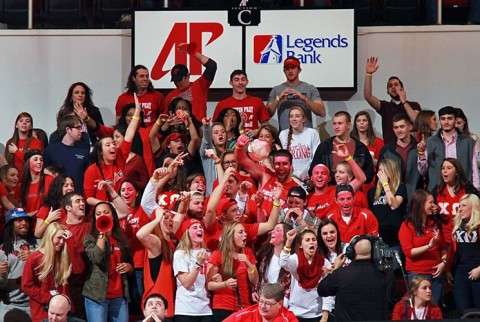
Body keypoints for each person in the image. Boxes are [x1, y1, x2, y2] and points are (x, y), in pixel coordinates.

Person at [317, 236, 394, 321]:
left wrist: (335, 268)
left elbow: (321, 290)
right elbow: (392, 299)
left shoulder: (341, 274)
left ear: (351, 252)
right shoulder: (386, 274)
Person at [83, 94, 140, 206]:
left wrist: (137, 112)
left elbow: (129, 135)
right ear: (100, 151)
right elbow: (89, 198)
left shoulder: (120, 157)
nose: (113, 146)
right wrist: (108, 205)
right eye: (108, 145)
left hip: (121, 209)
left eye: (113, 144)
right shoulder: (92, 170)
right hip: (102, 212)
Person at [83, 202, 134, 322]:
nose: (102, 215)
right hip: (97, 296)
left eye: (106, 212)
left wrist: (129, 267)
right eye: (98, 214)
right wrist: (102, 234)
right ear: (94, 218)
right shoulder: (90, 238)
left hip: (119, 297)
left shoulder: (121, 238)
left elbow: (131, 264)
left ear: (113, 215)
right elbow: (96, 258)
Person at [398, 189, 448, 305]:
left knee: (435, 309)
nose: (433, 205)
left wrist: (444, 262)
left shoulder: (434, 223)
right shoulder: (407, 226)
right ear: (420, 205)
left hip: (436, 274)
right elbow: (409, 252)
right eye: (430, 202)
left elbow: (443, 247)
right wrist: (429, 245)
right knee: (420, 308)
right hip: (418, 275)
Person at [418, 105, 480, 191]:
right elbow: (423, 172)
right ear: (440, 121)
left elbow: (474, 169)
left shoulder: (467, 141)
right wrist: (421, 154)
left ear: (455, 120)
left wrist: (476, 191)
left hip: (463, 191)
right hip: (438, 191)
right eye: (443, 119)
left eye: (449, 118)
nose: (446, 122)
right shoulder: (430, 142)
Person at [206, 221, 258, 322]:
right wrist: (225, 284)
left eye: (245, 232)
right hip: (223, 307)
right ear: (230, 236)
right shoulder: (218, 255)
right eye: (241, 232)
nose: (245, 234)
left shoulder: (247, 252)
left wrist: (248, 264)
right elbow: (209, 285)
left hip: (244, 306)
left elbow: (255, 281)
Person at [21, 222, 74, 322]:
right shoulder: (34, 258)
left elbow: (78, 270)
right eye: (59, 238)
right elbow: (26, 285)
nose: (62, 242)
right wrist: (49, 299)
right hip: (42, 312)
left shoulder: (62, 256)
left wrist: (71, 243)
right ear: (50, 237)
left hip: (62, 312)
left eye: (64, 238)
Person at [363, 56, 421, 145]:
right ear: (387, 91)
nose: (393, 87)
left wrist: (404, 102)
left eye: (396, 85)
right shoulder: (385, 106)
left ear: (402, 88)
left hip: (411, 148)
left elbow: (417, 121)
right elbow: (368, 96)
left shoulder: (414, 105)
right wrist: (368, 74)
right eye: (390, 86)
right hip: (390, 149)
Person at [235, 136, 299, 214]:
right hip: (256, 224)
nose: (281, 168)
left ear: (291, 166)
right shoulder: (266, 174)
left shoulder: (296, 190)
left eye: (285, 164)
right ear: (273, 165)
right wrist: (239, 146)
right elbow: (241, 160)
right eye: (277, 164)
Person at [280, 229, 333, 322]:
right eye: (307, 240)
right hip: (296, 313)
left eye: (313, 239)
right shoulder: (295, 259)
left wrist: (325, 316)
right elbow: (283, 263)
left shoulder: (324, 262)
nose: (311, 242)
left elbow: (328, 292)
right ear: (301, 245)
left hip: (317, 314)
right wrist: (288, 242)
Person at [309, 111, 374, 185]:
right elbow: (313, 171)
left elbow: (369, 175)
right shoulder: (324, 147)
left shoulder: (361, 148)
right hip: (330, 190)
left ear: (348, 125)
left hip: (354, 190)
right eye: (334, 123)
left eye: (340, 123)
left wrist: (350, 177)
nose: (336, 127)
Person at [136, 207, 176, 320]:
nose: (171, 220)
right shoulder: (157, 243)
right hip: (156, 306)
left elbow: (181, 214)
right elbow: (140, 235)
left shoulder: (171, 243)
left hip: (169, 304)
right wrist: (158, 218)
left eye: (171, 218)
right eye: (166, 218)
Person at [266, 56, 326, 131]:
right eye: (287, 69)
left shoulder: (310, 88)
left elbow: (322, 112)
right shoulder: (276, 89)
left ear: (299, 70)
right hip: (284, 137)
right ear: (284, 71)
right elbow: (266, 115)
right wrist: (278, 98)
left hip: (306, 136)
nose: (290, 71)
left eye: (293, 68)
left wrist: (304, 99)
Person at [0, 208, 37, 320]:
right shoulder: (2, 251)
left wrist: (34, 256)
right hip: (9, 306)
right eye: (19, 220)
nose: (24, 223)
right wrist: (1, 275)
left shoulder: (38, 245)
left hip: (34, 305)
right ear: (10, 224)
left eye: (26, 220)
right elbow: (1, 285)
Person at [165, 43, 217, 122]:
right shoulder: (170, 97)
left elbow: (212, 66)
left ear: (188, 76)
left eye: (179, 80)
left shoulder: (199, 86)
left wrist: (194, 53)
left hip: (198, 130)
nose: (177, 83)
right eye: (175, 81)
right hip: (178, 131)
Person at [173, 218, 212, 322]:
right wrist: (198, 263)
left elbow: (209, 281)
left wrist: (216, 277)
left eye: (200, 227)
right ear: (187, 233)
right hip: (186, 309)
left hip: (206, 309)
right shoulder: (180, 254)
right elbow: (186, 283)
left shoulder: (208, 254)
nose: (199, 229)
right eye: (194, 228)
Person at [433, 158, 479, 245]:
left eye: (449, 168)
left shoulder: (468, 190)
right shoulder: (437, 191)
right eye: (443, 168)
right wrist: (433, 211)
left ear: (457, 172)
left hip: (463, 240)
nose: (445, 171)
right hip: (444, 241)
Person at [378, 114, 423, 202]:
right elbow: (379, 176)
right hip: (393, 199)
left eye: (402, 127)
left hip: (416, 199)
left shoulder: (420, 148)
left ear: (410, 127)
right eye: (396, 127)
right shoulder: (387, 150)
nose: (398, 130)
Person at [213, 70, 271, 137]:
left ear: (247, 82)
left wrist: (257, 131)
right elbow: (215, 128)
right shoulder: (222, 105)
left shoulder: (257, 101)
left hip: (253, 143)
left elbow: (266, 126)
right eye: (236, 80)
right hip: (230, 144)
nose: (240, 83)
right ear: (231, 83)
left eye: (243, 80)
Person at [448, 194, 480, 310]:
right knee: (462, 309)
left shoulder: (478, 225)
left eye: (464, 206)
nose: (460, 209)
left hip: (477, 271)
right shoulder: (457, 225)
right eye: (459, 206)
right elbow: (452, 250)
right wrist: (448, 269)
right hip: (460, 272)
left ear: (474, 207)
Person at [43, 115, 89, 193]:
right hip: (57, 196)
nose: (81, 131)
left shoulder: (83, 152)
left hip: (77, 196)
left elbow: (87, 177)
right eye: (78, 128)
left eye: (81, 128)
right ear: (68, 130)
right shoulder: (50, 151)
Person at [254, 223, 293, 304]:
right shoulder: (263, 255)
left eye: (277, 230)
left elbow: (289, 288)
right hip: (262, 302)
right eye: (273, 230)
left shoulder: (291, 259)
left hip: (279, 304)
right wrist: (254, 290)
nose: (272, 232)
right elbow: (258, 278)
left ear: (285, 236)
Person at [279, 105, 320, 183]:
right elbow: (283, 161)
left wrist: (310, 175)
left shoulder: (313, 133)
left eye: (297, 116)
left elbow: (316, 158)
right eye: (291, 116)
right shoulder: (283, 135)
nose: (294, 119)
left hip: (309, 178)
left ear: (304, 119)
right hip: (291, 177)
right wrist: (297, 173)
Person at [58, 82, 104, 147]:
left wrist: (87, 118)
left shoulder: (94, 111)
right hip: (72, 146)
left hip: (92, 145)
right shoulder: (64, 113)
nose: (80, 95)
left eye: (83, 93)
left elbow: (101, 130)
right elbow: (61, 133)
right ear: (71, 96)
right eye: (77, 92)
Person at [223, 283, 298, 322]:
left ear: (280, 304)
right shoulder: (246, 315)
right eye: (261, 301)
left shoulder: (288, 319)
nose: (262, 306)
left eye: (268, 303)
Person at [5, 112, 44, 179]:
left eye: (27, 121)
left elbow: (34, 163)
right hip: (14, 180)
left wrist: (16, 151)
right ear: (16, 125)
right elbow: (6, 163)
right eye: (21, 121)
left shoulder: (36, 142)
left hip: (30, 179)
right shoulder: (10, 142)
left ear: (31, 126)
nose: (24, 123)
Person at [34, 174, 74, 239]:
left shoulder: (75, 206)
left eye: (72, 185)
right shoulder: (47, 207)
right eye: (66, 185)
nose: (70, 188)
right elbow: (37, 234)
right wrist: (49, 219)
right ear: (58, 188)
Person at [20, 150, 54, 216]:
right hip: (29, 222)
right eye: (35, 160)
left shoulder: (50, 179)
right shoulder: (22, 186)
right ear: (28, 163)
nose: (39, 162)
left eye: (41, 160)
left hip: (47, 220)